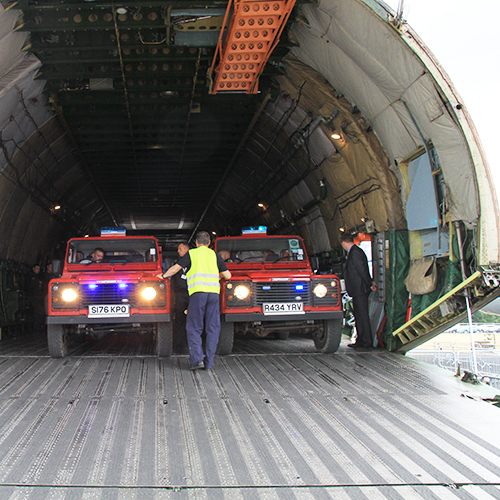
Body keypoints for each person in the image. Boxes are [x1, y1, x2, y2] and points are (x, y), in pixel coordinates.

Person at [159, 231, 231, 370]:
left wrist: (163, 275)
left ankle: (197, 360)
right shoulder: (215, 255)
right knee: (213, 328)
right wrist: (219, 277)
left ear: (196, 243)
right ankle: (209, 362)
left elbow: (175, 268)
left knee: (194, 327)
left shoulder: (192, 254)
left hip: (198, 294)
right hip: (214, 295)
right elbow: (228, 275)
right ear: (209, 243)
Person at [340, 233, 377, 349]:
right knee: (359, 315)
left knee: (362, 316)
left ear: (343, 243)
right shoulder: (355, 251)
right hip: (357, 290)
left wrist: (369, 283)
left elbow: (362, 270)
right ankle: (360, 339)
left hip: (360, 289)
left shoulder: (355, 252)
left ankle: (366, 342)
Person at [170, 242, 190, 353]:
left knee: (195, 320)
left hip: (193, 294)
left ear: (187, 249)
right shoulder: (177, 264)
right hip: (180, 295)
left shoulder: (195, 262)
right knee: (179, 320)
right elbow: (173, 281)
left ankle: (196, 344)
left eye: (180, 248)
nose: (178, 251)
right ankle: (180, 345)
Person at [27, 263, 45, 333]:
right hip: (33, 296)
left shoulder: (37, 276)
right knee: (38, 312)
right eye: (37, 269)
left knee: (40, 311)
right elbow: (29, 286)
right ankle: (36, 328)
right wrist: (38, 283)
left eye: (39, 269)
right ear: (33, 268)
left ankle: (39, 326)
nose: (38, 270)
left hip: (39, 296)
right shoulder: (30, 276)